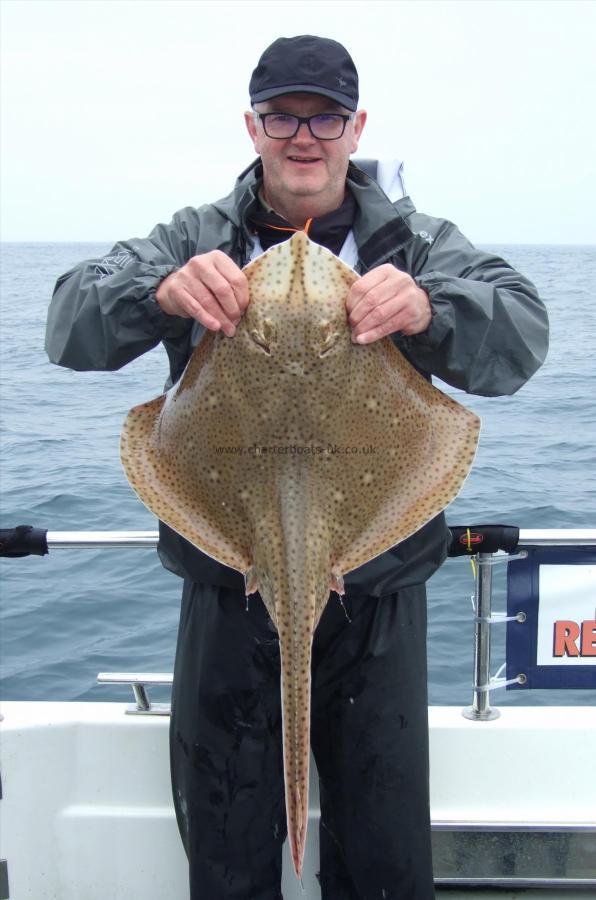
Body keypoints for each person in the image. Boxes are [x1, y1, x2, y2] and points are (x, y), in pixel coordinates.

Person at [45, 34, 549, 900]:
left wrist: (432, 307)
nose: (304, 135)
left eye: (325, 117)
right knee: (229, 849)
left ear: (357, 129)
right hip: (229, 580)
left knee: (383, 859)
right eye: (283, 116)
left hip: (379, 591)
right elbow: (67, 322)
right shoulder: (195, 236)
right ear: (253, 126)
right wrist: (160, 292)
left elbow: (523, 332)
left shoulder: (418, 243)